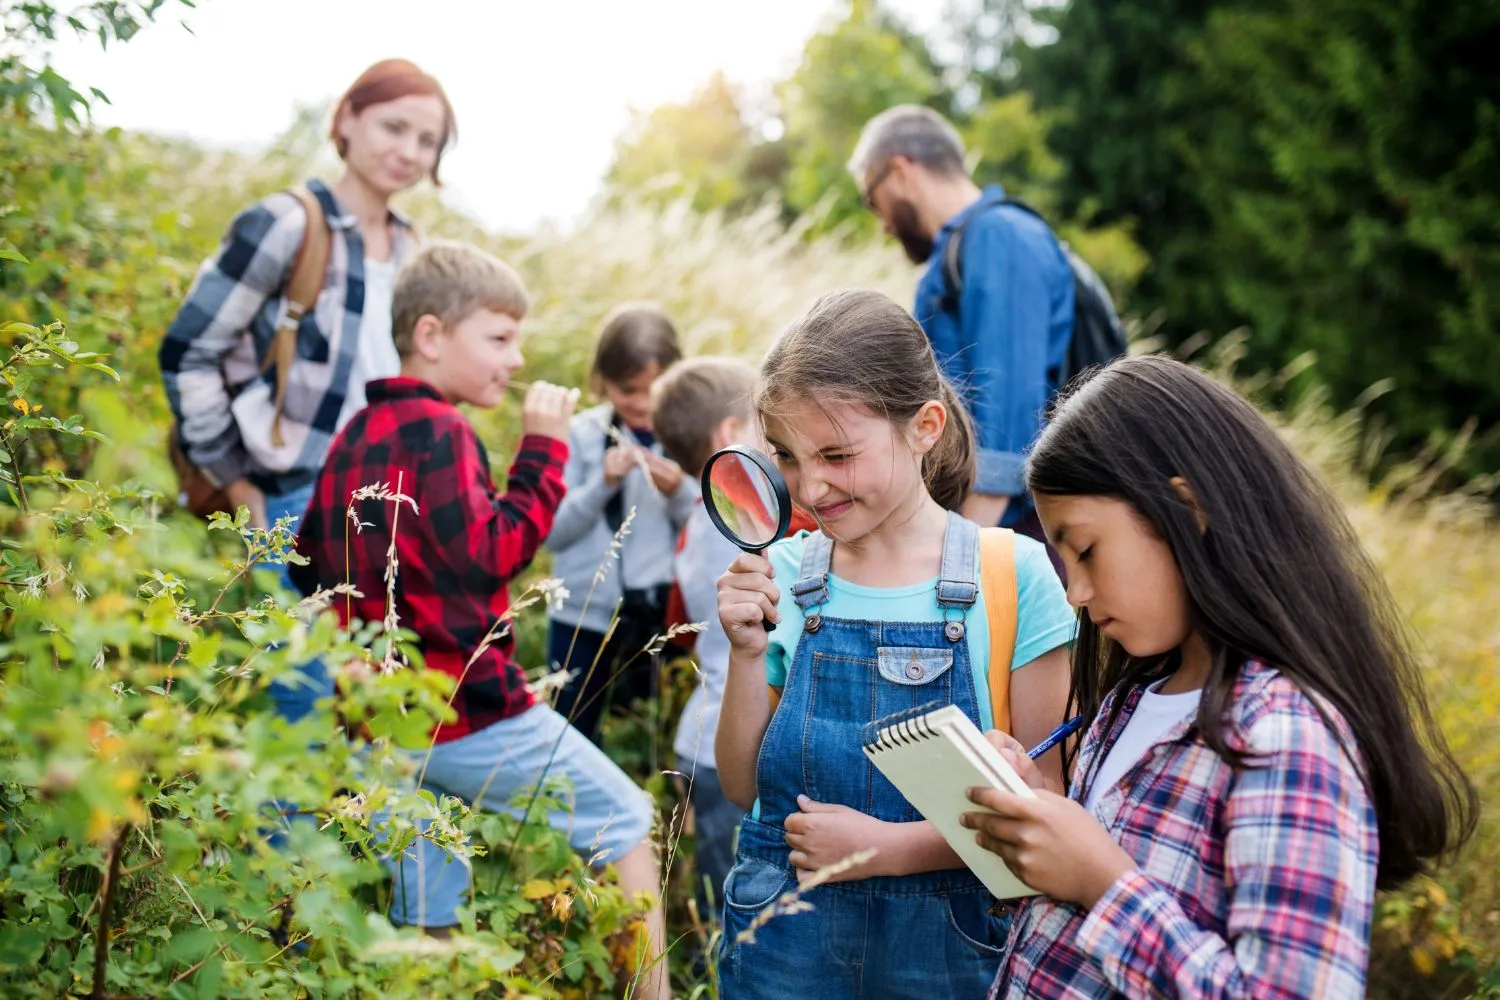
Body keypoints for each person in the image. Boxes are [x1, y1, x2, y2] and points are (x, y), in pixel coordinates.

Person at [959, 356, 1478, 998]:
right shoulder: (1127, 704)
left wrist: (1103, 882)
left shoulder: (1286, 736)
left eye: (1087, 550)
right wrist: (1038, 822)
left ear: (1188, 507)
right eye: (1065, 563)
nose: (1078, 593)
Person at [289, 243, 669, 998]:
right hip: (468, 711)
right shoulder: (443, 432)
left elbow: (303, 564)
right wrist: (543, 452)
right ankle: (654, 993)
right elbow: (491, 556)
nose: (516, 357)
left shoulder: (355, 435)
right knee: (627, 820)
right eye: (498, 339)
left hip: (382, 724)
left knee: (430, 904)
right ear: (430, 336)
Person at [712, 290, 1077, 998]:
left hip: (949, 949)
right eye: (788, 457)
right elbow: (741, 786)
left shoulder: (1013, 573)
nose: (811, 486)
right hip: (785, 940)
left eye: (838, 455)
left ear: (925, 427)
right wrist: (746, 654)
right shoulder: (784, 573)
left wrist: (887, 850)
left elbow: (1048, 800)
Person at [160, 57, 456, 723]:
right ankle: (282, 831)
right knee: (306, 698)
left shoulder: (415, 247)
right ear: (348, 119)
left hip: (387, 503)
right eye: (394, 126)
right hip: (297, 494)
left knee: (380, 702)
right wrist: (238, 484)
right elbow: (188, 352)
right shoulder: (288, 223)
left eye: (427, 140)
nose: (408, 151)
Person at [848, 104, 1074, 550]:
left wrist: (959, 560)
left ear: (900, 170)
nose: (884, 225)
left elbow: (1007, 423)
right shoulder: (962, 247)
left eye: (873, 201)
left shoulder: (999, 235)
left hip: (1015, 537)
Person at [647, 356, 766, 921]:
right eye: (763, 426)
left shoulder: (698, 518)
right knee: (734, 903)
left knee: (718, 882)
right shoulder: (744, 521)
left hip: (702, 731)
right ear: (729, 437)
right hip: (727, 743)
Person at [545, 304, 696, 743]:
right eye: (629, 390)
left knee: (654, 736)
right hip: (581, 616)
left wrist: (679, 492)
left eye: (657, 389)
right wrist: (601, 484)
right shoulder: (580, 434)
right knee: (568, 733)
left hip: (660, 616)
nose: (644, 405)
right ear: (602, 382)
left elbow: (710, 529)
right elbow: (553, 532)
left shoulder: (688, 437)